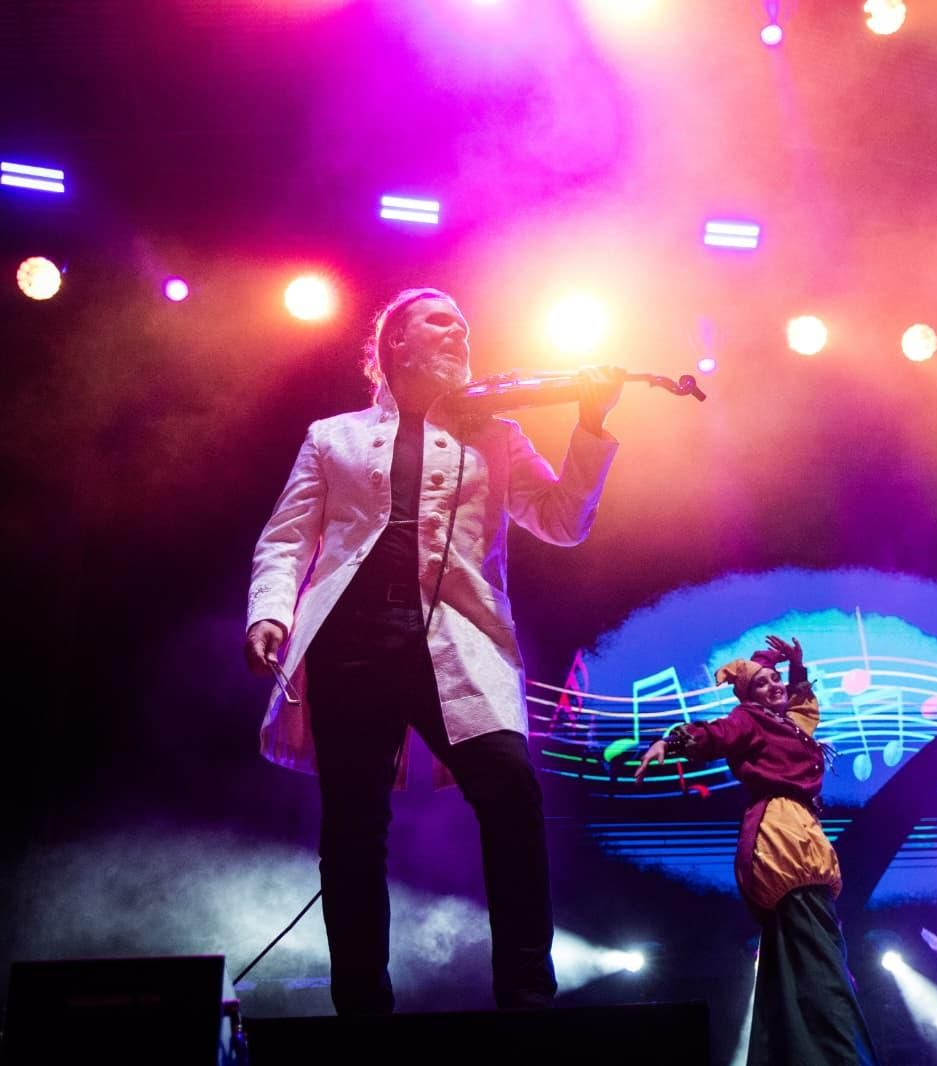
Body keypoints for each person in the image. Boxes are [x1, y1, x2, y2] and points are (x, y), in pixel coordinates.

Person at [243, 287, 623, 1014]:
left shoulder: (498, 435)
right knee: (352, 825)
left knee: (510, 791)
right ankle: (361, 1007)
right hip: (350, 639)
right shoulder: (334, 436)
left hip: (460, 637)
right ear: (396, 343)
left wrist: (590, 424)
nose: (460, 334)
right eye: (440, 322)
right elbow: (288, 538)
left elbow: (561, 520)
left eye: (465, 325)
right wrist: (270, 613)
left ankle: (527, 996)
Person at [636, 636, 879, 1065]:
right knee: (820, 955)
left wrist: (794, 663)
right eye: (764, 683)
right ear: (750, 696)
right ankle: (838, 1056)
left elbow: (803, 704)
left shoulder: (788, 723)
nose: (776, 686)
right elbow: (717, 734)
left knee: (793, 961)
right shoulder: (749, 719)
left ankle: (790, 1054)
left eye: (777, 679)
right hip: (785, 842)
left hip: (797, 833)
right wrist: (671, 742)